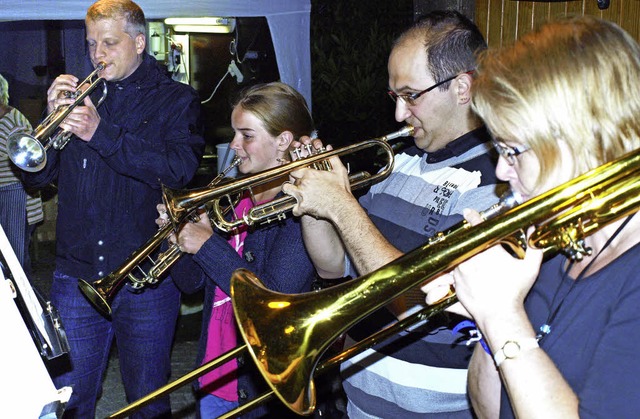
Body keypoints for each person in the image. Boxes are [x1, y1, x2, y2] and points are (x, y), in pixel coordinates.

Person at [282, 10, 505, 418]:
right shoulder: (401, 163)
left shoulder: (496, 182)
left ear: (461, 88)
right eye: (394, 97)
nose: (399, 115)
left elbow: (416, 296)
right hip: (361, 405)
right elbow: (335, 267)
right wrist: (314, 203)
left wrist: (341, 204)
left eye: (411, 95)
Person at [422, 15, 640, 418]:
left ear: (586, 140)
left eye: (512, 151)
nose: (501, 172)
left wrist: (502, 316)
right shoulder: (555, 246)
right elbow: (490, 411)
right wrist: (485, 319)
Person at [20, 0, 205, 417]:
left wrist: (103, 134)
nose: (97, 54)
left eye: (109, 42)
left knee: (148, 399)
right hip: (77, 274)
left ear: (139, 42)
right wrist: (48, 127)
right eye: (91, 44)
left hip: (146, 278)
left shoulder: (176, 100)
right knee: (71, 399)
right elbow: (36, 179)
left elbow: (178, 169)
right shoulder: (81, 97)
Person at [163, 82, 317, 418]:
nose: (234, 145)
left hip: (262, 387)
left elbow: (275, 295)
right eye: (235, 133)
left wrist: (206, 245)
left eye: (246, 135)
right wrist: (176, 236)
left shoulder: (301, 211)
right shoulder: (235, 201)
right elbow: (192, 284)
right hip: (215, 374)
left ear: (283, 141)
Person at [0, 73, 44, 273]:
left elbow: (30, 162)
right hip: (5, 193)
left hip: (16, 193)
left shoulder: (14, 121)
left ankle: (23, 303)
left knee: (15, 259)